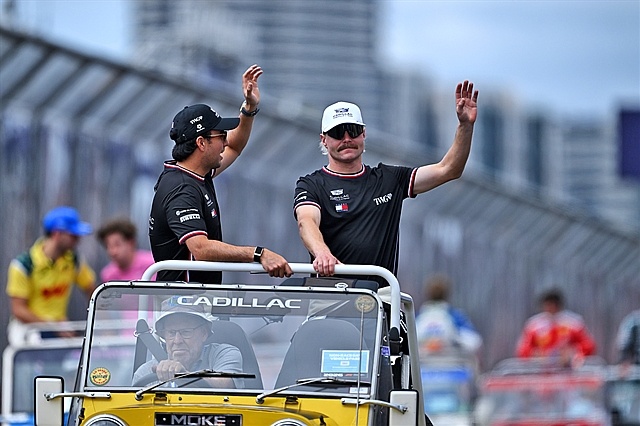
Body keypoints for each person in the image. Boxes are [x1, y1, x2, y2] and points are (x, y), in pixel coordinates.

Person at [293, 81, 478, 285]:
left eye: (353, 130)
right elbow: (306, 221)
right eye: (337, 133)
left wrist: (465, 126)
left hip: (378, 298)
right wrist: (322, 253)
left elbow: (448, 169)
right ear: (324, 140)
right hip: (329, 296)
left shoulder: (389, 179)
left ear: (363, 134)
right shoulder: (311, 184)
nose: (346, 139)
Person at [149, 64, 292, 283]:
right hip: (181, 301)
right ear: (201, 143)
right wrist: (258, 254)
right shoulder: (182, 188)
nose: (225, 142)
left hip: (195, 299)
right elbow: (201, 249)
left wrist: (249, 107)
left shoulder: (196, 174)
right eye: (221, 136)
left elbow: (235, 146)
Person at [6, 206, 96, 344]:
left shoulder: (73, 260)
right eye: (73, 235)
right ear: (57, 234)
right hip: (28, 328)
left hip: (59, 327)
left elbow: (92, 291)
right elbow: (18, 310)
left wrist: (100, 320)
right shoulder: (23, 265)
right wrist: (51, 326)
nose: (77, 240)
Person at [132, 299, 243, 388]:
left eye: (186, 332)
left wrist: (185, 376)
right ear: (163, 336)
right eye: (171, 333)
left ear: (204, 333)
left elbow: (225, 384)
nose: (177, 341)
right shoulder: (145, 372)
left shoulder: (223, 354)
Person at [516, 288, 596, 365]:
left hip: (568, 369)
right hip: (541, 369)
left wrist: (573, 352)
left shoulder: (574, 323)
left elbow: (588, 346)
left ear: (559, 305)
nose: (551, 307)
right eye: (548, 304)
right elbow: (523, 350)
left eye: (553, 304)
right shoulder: (534, 324)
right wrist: (534, 354)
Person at [415, 274, 482, 356]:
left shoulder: (416, 319)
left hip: (421, 362)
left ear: (427, 294)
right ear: (447, 294)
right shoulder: (456, 317)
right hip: (453, 362)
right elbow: (474, 342)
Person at [96, 217, 155, 282]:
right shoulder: (108, 274)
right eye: (108, 246)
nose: (112, 252)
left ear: (131, 243)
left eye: (117, 244)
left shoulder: (153, 264)